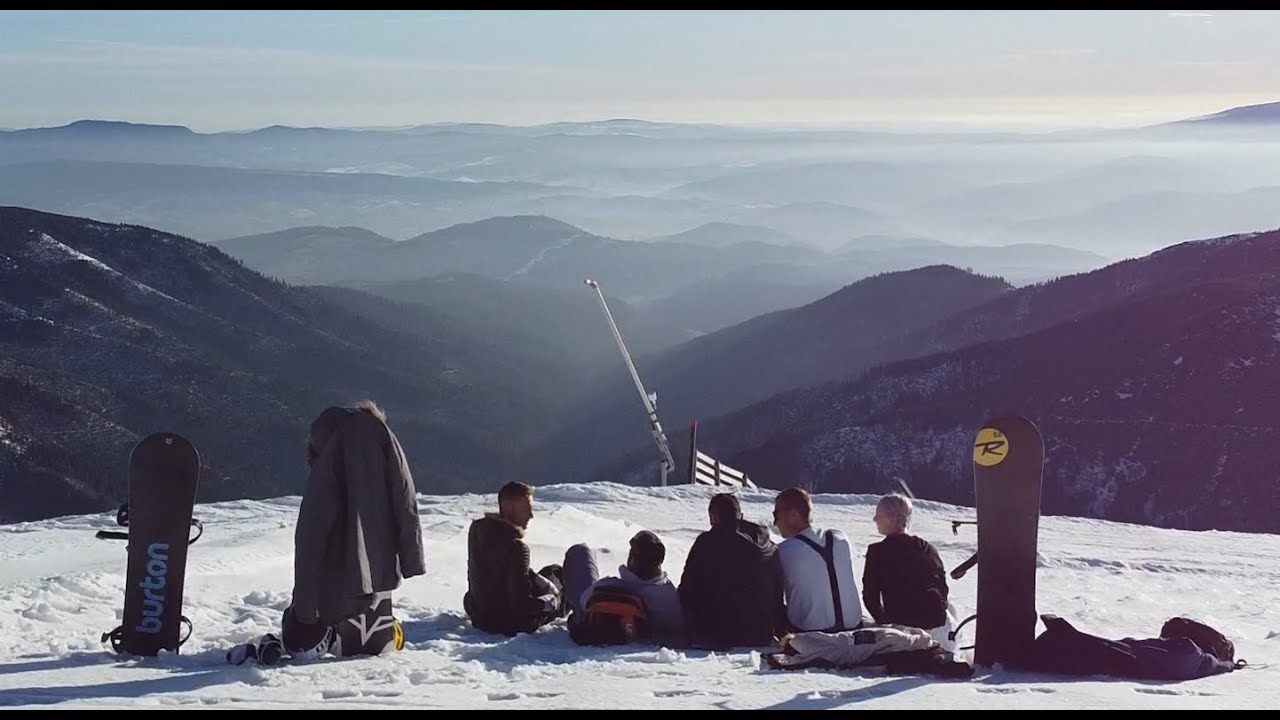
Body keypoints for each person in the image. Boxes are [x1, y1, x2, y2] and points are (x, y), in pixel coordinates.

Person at [233, 401, 425, 665]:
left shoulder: (329, 466)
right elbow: (406, 499)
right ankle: (385, 631)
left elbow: (311, 540)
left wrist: (305, 612)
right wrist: (411, 559)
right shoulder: (384, 442)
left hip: (335, 588)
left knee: (300, 643)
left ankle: (325, 637)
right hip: (381, 574)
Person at [678, 492, 782, 649]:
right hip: (762, 633)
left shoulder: (707, 542)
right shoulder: (768, 545)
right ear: (740, 515)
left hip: (716, 635)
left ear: (713, 517)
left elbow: (687, 588)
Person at [464, 481, 566, 637]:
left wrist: (534, 577)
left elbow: (495, 568)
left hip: (480, 616)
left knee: (552, 571)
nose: (531, 515)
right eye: (526, 509)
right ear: (509, 508)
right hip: (509, 624)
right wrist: (550, 602)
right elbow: (521, 605)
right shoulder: (517, 547)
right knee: (562, 581)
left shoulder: (478, 531)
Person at [862, 492, 956, 651]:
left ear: (893, 518)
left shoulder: (877, 552)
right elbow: (942, 587)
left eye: (879, 515)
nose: (875, 519)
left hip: (902, 633)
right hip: (937, 628)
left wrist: (885, 623)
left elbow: (870, 598)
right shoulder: (927, 548)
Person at [564, 530, 688, 649]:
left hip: (597, 620)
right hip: (646, 635)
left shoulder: (608, 585)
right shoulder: (669, 597)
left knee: (579, 551)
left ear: (632, 558)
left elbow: (583, 601)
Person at [773, 487, 863, 634]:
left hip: (811, 635)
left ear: (794, 515)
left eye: (776, 514)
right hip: (854, 628)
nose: (775, 522)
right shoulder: (840, 537)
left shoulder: (783, 551)